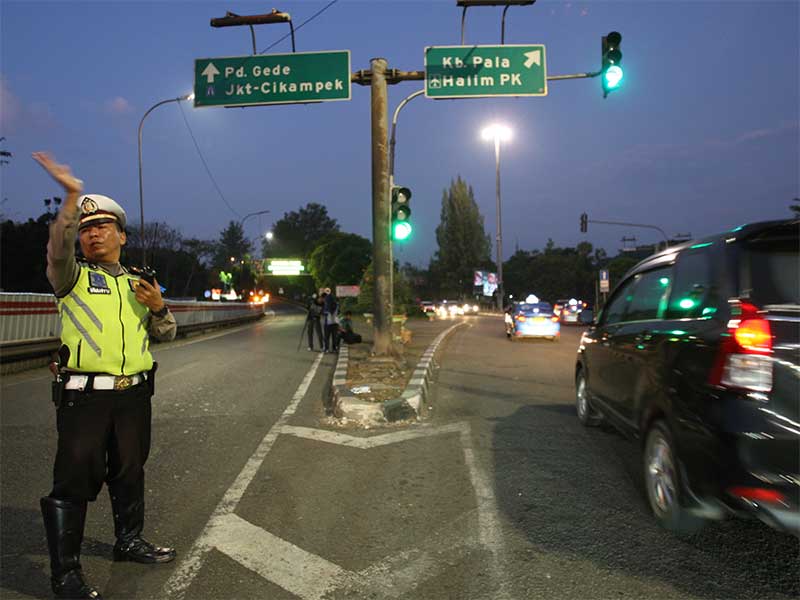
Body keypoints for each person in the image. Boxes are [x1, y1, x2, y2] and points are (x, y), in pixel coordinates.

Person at [33, 152, 177, 600]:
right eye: (86, 228)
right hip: (84, 399)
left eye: (102, 227)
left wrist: (159, 306)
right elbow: (58, 248)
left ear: (122, 236)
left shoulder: (140, 281)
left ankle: (128, 540)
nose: (93, 234)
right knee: (73, 482)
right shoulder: (70, 276)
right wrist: (71, 197)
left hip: (134, 396)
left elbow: (166, 333)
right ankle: (66, 575)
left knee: (131, 471)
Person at [322, 288, 339, 353]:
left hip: (328, 322)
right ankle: (334, 348)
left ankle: (326, 348)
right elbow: (338, 313)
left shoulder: (327, 305)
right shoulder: (336, 304)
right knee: (334, 336)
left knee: (326, 336)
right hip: (335, 322)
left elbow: (324, 312)